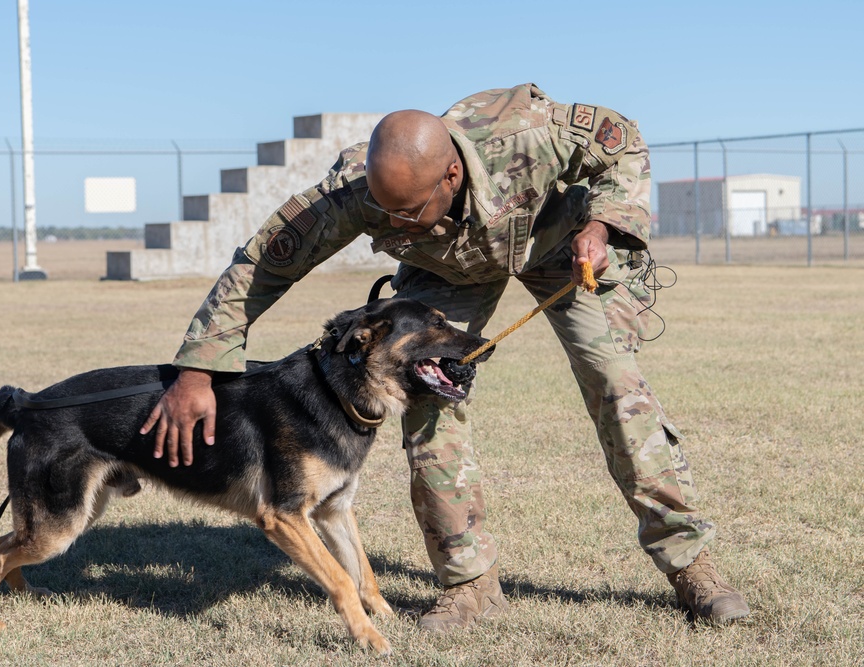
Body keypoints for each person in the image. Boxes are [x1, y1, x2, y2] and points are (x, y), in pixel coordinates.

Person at [140, 83, 750, 629]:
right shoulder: (359, 190)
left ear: (451, 176)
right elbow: (263, 263)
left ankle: (691, 565)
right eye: (385, 210)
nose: (391, 219)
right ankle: (469, 584)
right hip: (448, 272)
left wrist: (607, 225)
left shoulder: (529, 132)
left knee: (617, 385)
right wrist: (198, 367)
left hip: (563, 245)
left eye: (407, 210)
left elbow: (624, 143)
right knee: (427, 405)